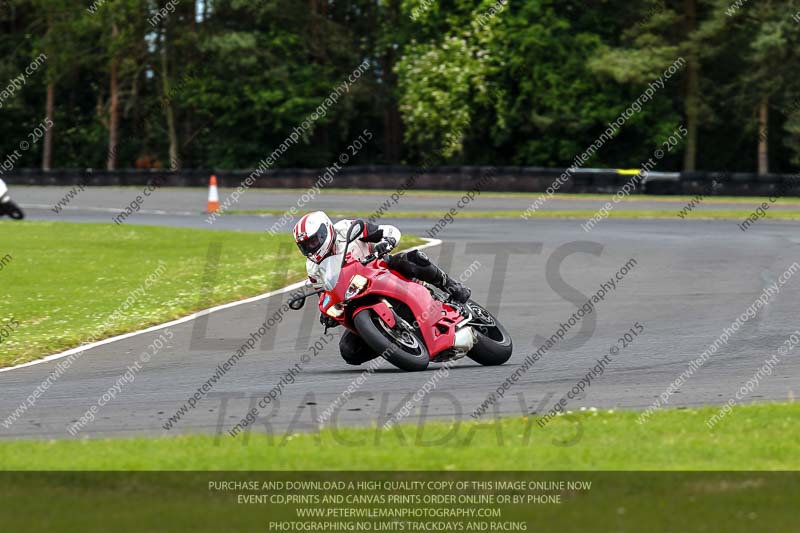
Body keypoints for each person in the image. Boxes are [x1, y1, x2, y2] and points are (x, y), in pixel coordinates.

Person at [293, 210, 471, 365]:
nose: (311, 247)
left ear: (326, 231)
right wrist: (327, 314)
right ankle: (393, 343)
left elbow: (389, 231)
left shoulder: (347, 229)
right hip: (354, 297)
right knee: (349, 351)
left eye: (314, 241)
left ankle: (451, 285)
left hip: (380, 270)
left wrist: (387, 241)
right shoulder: (313, 268)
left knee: (409, 259)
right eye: (306, 245)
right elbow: (326, 292)